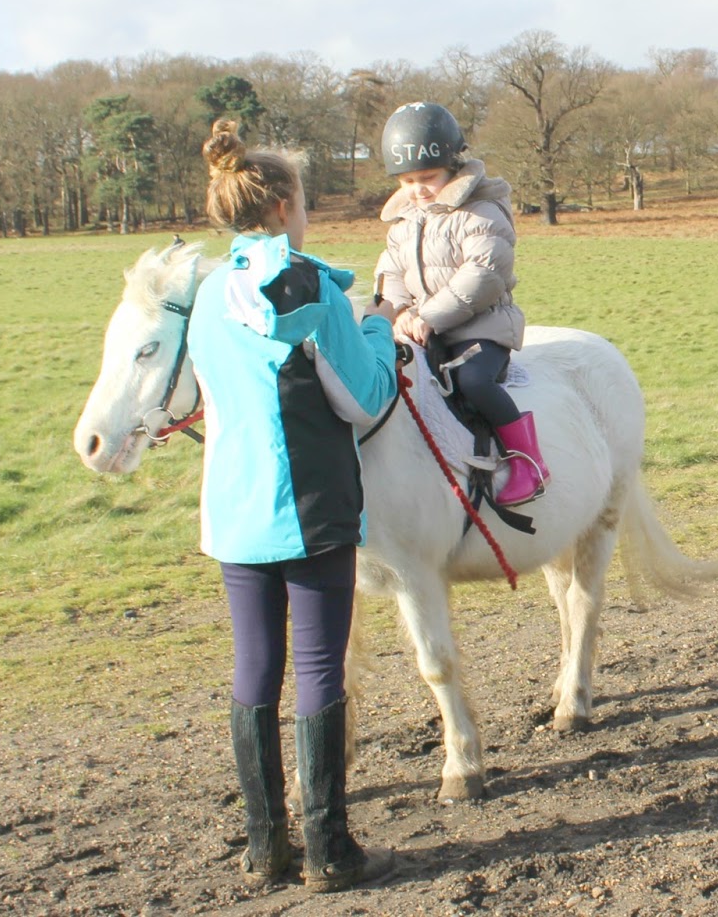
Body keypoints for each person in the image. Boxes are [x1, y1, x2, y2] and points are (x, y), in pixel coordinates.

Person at [188, 118, 398, 892]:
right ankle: (330, 849)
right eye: (304, 200)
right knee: (317, 668)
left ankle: (265, 845)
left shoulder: (209, 294)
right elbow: (365, 398)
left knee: (254, 668)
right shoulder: (313, 287)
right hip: (309, 505)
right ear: (281, 206)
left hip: (234, 508)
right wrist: (379, 334)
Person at [372, 101, 549, 507]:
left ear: (452, 165)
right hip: (423, 328)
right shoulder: (405, 222)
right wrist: (395, 315)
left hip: (481, 327)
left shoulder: (481, 211)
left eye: (427, 177)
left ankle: (529, 462)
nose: (416, 189)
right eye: (406, 180)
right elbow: (391, 274)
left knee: (473, 381)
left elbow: (484, 274)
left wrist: (430, 315)